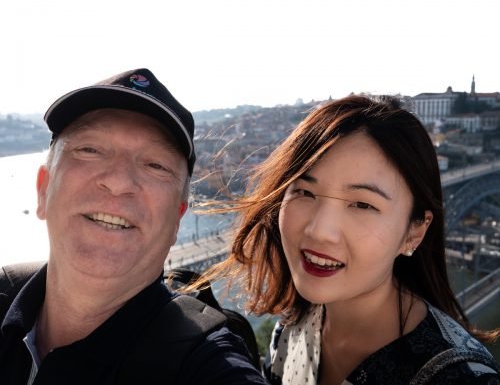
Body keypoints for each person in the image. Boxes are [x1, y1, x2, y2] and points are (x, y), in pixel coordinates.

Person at [197, 95, 500, 384]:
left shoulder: (459, 377)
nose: (319, 231)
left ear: (414, 231)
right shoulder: (293, 329)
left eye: (362, 204)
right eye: (304, 192)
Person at [0, 68, 267, 384]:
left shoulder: (206, 366)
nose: (118, 181)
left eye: (156, 165)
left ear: (176, 220)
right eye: (90, 150)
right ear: (44, 190)